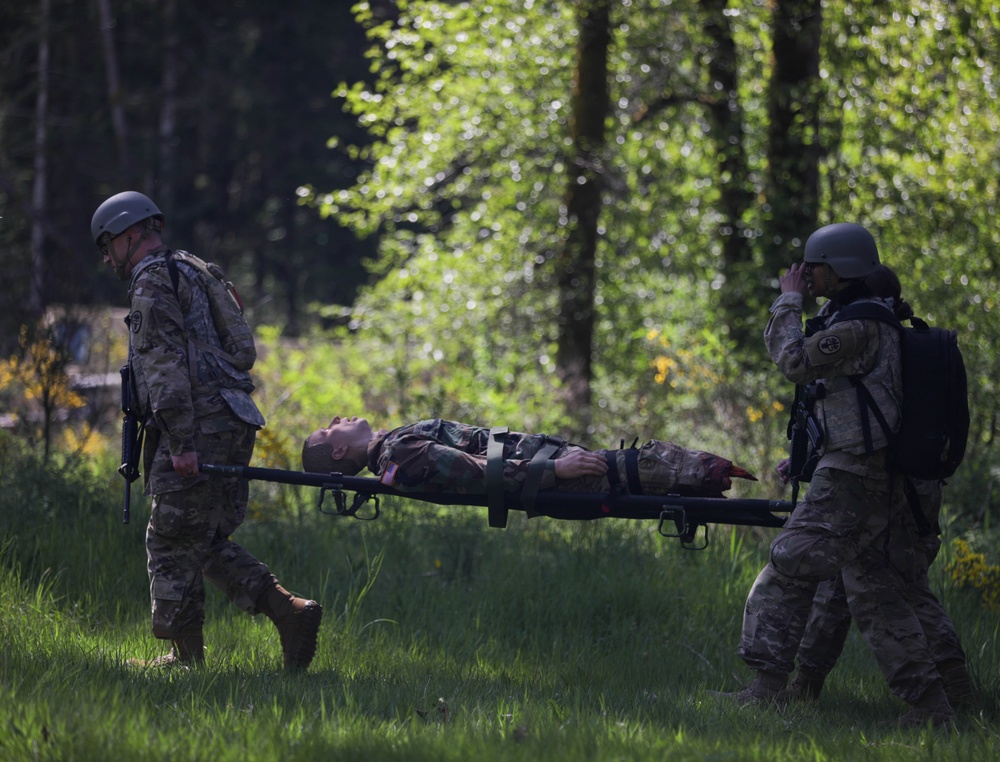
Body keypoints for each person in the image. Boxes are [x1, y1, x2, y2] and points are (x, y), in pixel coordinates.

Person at [713, 223, 955, 727]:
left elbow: (794, 361)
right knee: (877, 590)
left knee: (790, 561)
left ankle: (767, 687)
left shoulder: (860, 324)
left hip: (855, 477)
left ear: (837, 270)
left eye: (812, 266)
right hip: (866, 471)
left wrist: (788, 302)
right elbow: (857, 406)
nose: (805, 274)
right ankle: (937, 705)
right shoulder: (858, 317)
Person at [91, 191, 322, 670]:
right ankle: (288, 613)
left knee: (172, 537)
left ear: (130, 235)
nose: (106, 256)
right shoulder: (193, 268)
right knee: (202, 537)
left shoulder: (153, 280)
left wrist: (181, 442)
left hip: (197, 421)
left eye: (108, 244)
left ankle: (190, 660)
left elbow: (165, 366)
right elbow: (239, 348)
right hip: (233, 415)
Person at [786, 265, 973, 707]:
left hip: (889, 486)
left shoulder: (874, 337)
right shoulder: (904, 343)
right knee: (866, 586)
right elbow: (867, 421)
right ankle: (957, 691)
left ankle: (935, 701)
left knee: (876, 589)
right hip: (911, 483)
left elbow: (872, 429)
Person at [301, 417, 757, 497]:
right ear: (340, 449)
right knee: (661, 465)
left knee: (673, 472)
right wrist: (553, 468)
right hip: (557, 477)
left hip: (554, 465)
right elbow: (478, 475)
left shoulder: (394, 447)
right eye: (330, 426)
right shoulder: (399, 455)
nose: (338, 417)